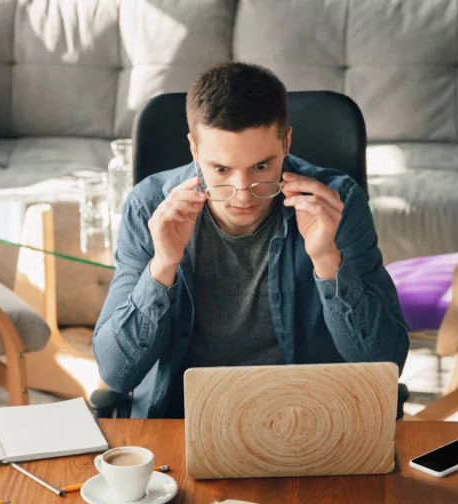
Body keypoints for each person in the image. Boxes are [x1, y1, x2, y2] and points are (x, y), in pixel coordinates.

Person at [93, 61, 409, 418]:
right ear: (194, 149)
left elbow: (386, 362)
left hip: (307, 418)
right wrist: (162, 266)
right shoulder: (148, 207)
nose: (243, 194)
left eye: (261, 166)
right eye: (221, 169)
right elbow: (115, 372)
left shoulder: (338, 203)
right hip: (181, 420)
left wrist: (326, 260)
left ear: (286, 142)